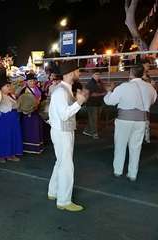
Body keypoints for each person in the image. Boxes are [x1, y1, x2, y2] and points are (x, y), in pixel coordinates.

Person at [104, 65, 157, 181]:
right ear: (142, 74)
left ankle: (118, 171)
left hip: (124, 119)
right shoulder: (150, 87)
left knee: (120, 146)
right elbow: (152, 101)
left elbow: (110, 101)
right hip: (141, 120)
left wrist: (108, 92)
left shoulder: (124, 86)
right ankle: (132, 173)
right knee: (136, 147)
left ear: (131, 74)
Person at [47, 61, 88, 212]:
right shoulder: (61, 92)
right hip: (62, 132)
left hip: (62, 131)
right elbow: (64, 115)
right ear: (71, 73)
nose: (79, 73)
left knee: (61, 163)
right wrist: (79, 103)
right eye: (77, 71)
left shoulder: (64, 90)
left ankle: (53, 191)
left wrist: (78, 101)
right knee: (66, 166)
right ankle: (64, 201)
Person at [0, 77, 23, 162]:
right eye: (7, 86)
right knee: (2, 136)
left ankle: (11, 154)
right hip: (2, 118)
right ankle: (0, 155)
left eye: (9, 86)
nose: (9, 87)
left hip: (12, 118)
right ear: (1, 87)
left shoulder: (11, 95)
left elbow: (16, 106)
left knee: (12, 135)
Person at [19, 72, 44, 154]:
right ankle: (28, 147)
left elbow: (43, 98)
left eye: (33, 81)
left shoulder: (38, 89)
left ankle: (37, 147)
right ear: (27, 82)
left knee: (36, 129)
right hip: (27, 114)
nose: (32, 83)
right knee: (28, 130)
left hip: (36, 113)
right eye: (30, 81)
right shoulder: (23, 90)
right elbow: (21, 102)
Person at [83, 71, 106, 139]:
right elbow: (90, 94)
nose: (98, 76)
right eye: (96, 74)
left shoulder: (99, 82)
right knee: (94, 119)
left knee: (95, 118)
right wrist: (102, 94)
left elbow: (103, 89)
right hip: (91, 104)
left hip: (98, 103)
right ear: (92, 75)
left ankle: (87, 130)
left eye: (99, 74)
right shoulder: (89, 84)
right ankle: (94, 133)